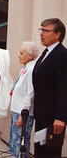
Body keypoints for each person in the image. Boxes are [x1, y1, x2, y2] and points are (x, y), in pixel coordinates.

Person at [33, 18, 67, 157]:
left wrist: (61, 117)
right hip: (42, 115)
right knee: (40, 151)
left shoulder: (62, 55)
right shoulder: (46, 53)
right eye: (41, 30)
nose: (41, 33)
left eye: (46, 31)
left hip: (53, 119)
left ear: (57, 34)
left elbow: (64, 88)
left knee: (50, 153)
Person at [8, 41, 39, 158]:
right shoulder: (24, 69)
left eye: (21, 53)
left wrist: (23, 115)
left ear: (30, 55)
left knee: (21, 143)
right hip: (17, 110)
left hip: (23, 113)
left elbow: (30, 94)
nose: (18, 55)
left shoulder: (31, 70)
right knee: (15, 143)